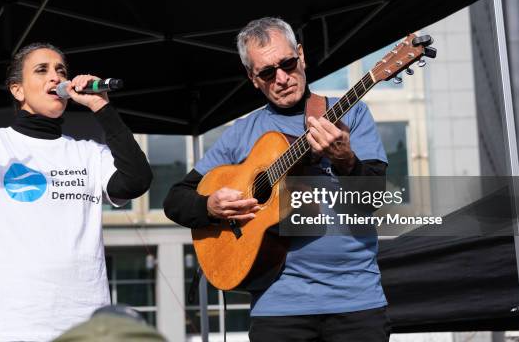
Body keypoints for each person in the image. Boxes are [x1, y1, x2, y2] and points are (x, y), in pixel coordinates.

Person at [164, 17, 390, 341]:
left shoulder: (349, 115)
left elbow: (373, 200)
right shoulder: (241, 133)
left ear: (301, 55)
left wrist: (344, 158)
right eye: (268, 73)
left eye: (288, 63)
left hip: (355, 301)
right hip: (276, 308)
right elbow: (175, 199)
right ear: (253, 79)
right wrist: (210, 206)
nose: (282, 78)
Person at [0, 37, 152, 341]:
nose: (56, 77)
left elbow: (137, 180)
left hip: (86, 327)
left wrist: (101, 106)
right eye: (42, 70)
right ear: (17, 90)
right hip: (9, 327)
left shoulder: (89, 154)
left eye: (61, 71)